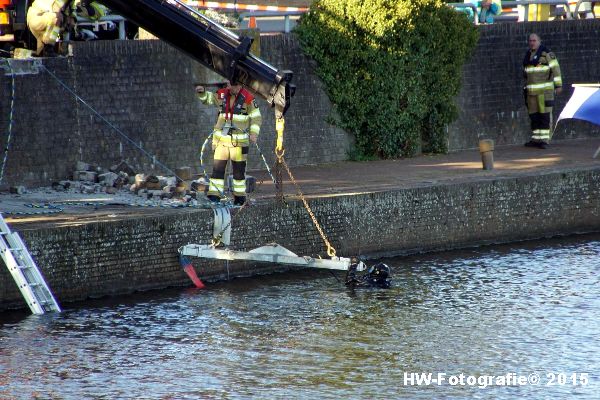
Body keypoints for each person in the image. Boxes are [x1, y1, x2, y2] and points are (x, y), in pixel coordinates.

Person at [196, 81, 262, 205]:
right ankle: (214, 196)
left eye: (233, 85)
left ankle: (239, 197)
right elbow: (209, 99)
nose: (230, 87)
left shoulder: (248, 98)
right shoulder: (222, 94)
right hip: (221, 141)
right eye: (229, 85)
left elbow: (257, 117)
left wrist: (254, 133)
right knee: (217, 170)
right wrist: (202, 93)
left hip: (239, 143)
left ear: (240, 85)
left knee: (238, 172)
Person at [523, 33, 562, 149]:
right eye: (530, 40)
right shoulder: (528, 55)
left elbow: (556, 69)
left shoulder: (547, 54)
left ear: (539, 41)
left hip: (544, 92)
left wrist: (558, 85)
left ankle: (544, 140)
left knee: (544, 116)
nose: (532, 42)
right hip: (531, 93)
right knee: (534, 116)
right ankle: (536, 139)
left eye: (534, 40)